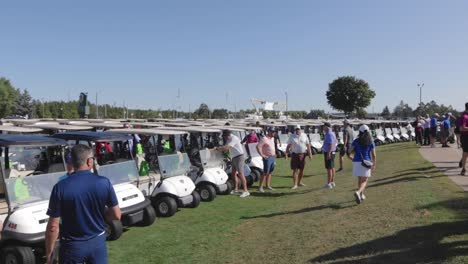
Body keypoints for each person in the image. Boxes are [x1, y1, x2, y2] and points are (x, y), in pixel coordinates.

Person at [45, 144, 121, 264]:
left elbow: (53, 227)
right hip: (98, 242)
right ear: (89, 162)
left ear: (73, 162)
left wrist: (49, 254)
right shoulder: (104, 182)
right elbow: (116, 215)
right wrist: (101, 215)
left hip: (72, 246)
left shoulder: (60, 187)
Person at [216, 130, 250, 198]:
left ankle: (246, 191)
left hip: (239, 157)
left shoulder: (234, 138)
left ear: (228, 135)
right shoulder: (228, 139)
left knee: (240, 173)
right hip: (234, 157)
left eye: (225, 136)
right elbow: (225, 147)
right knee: (233, 173)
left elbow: (227, 147)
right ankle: (236, 189)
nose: (224, 138)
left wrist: (217, 148)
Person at [348, 125, 377, 204]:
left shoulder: (356, 141)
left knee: (360, 179)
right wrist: (374, 164)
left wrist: (352, 158)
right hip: (366, 162)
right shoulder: (371, 141)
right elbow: (374, 155)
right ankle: (358, 192)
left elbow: (349, 151)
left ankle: (361, 195)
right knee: (365, 180)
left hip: (356, 162)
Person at [285, 125, 313, 189]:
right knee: (295, 170)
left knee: (302, 170)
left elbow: (308, 145)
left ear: (300, 129)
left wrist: (310, 154)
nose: (297, 130)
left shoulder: (304, 135)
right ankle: (295, 184)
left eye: (298, 129)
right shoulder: (292, 136)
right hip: (295, 155)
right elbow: (288, 146)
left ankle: (299, 182)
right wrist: (286, 154)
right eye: (296, 129)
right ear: (295, 130)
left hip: (303, 155)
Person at [256, 128, 276, 192]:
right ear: (269, 132)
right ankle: (260, 187)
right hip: (267, 158)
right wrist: (262, 155)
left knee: (270, 172)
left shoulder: (272, 138)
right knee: (265, 172)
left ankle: (268, 185)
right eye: (273, 132)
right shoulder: (264, 139)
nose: (274, 133)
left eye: (274, 132)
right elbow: (258, 146)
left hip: (272, 157)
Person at [322, 122, 338, 189]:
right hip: (332, 152)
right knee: (332, 167)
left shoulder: (329, 134)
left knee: (329, 169)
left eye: (324, 126)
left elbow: (331, 144)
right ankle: (332, 182)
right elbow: (335, 141)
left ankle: (329, 184)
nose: (323, 127)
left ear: (327, 127)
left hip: (329, 152)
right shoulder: (332, 133)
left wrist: (328, 153)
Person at [459, 103, 468, 176]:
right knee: (465, 153)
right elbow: (461, 128)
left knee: (465, 153)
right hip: (465, 137)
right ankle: (463, 169)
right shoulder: (464, 117)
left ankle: (463, 166)